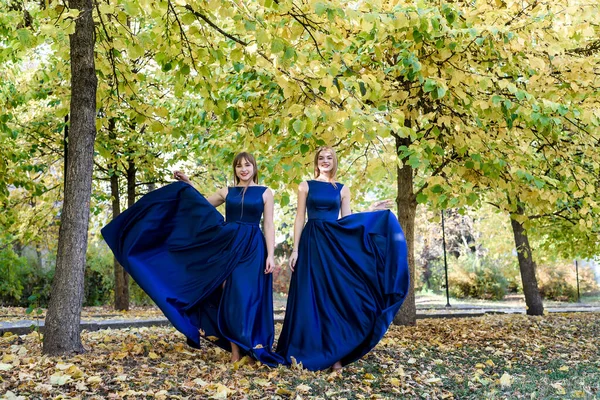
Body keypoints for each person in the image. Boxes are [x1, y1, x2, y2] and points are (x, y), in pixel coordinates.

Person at [101, 152, 283, 366]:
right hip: (228, 246)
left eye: (248, 165)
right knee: (232, 298)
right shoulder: (227, 191)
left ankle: (252, 349)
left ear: (254, 168)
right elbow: (202, 205)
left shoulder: (265, 193)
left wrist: (270, 255)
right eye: (239, 166)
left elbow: (269, 225)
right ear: (235, 169)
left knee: (249, 297)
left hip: (254, 248)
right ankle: (235, 351)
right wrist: (188, 184)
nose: (243, 169)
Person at [276, 146, 410, 372]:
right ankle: (305, 351)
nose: (325, 161)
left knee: (334, 298)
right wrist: (296, 249)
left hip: (332, 246)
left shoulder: (342, 189)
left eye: (329, 158)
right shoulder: (305, 185)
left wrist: (371, 210)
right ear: (316, 162)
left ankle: (336, 354)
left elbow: (347, 223)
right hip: (310, 244)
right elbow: (300, 218)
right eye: (321, 158)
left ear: (334, 161)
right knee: (309, 296)